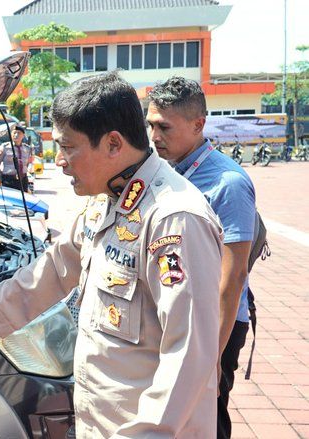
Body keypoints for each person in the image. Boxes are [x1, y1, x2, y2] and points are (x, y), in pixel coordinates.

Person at [0, 72, 223, 437]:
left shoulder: (174, 219)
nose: (59, 161)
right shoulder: (109, 197)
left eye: (68, 148)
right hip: (99, 421)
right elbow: (57, 265)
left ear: (114, 144)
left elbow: (190, 351)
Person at [147, 76, 256, 439]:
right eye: (150, 125)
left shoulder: (228, 182)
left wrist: (212, 355)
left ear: (198, 125)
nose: (154, 136)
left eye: (164, 127)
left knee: (208, 413)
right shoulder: (164, 170)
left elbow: (233, 277)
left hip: (216, 324)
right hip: (178, 316)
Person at [0, 125, 31, 191]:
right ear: (11, 134)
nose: (16, 135)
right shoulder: (4, 147)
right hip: (9, 180)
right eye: (14, 133)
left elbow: (27, 164)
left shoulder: (27, 148)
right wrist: (1, 179)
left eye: (19, 133)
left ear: (23, 135)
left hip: (22, 180)